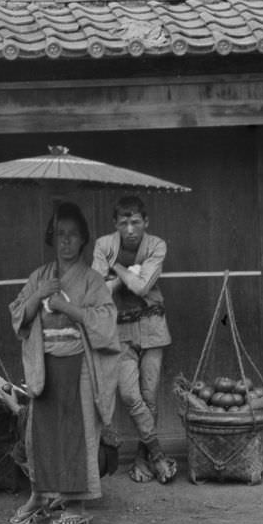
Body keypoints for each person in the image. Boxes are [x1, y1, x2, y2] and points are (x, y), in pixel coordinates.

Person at [9, 201, 121, 524]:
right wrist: (38, 295)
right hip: (45, 365)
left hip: (80, 365)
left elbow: (106, 321)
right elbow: (18, 315)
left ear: (84, 239)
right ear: (52, 238)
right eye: (60, 235)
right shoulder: (41, 276)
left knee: (78, 433)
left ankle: (75, 500)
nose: (66, 242)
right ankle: (40, 495)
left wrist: (67, 308)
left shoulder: (91, 279)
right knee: (40, 434)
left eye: (73, 235)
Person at [92, 195, 178, 484]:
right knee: (130, 395)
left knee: (150, 397)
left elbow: (142, 288)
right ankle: (156, 453)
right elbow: (98, 293)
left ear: (146, 222)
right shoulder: (104, 245)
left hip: (152, 326)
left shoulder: (156, 245)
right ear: (115, 224)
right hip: (120, 331)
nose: (130, 229)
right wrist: (127, 273)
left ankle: (142, 458)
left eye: (136, 222)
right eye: (124, 223)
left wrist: (114, 269)